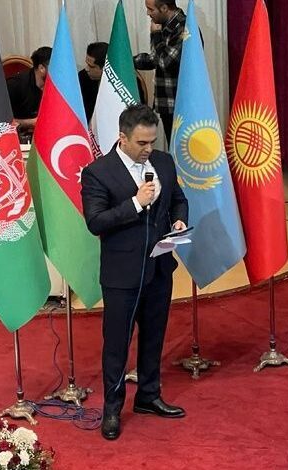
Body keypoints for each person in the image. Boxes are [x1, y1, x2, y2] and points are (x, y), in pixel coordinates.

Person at [81, 104, 189, 440]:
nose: (148, 149)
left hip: (160, 267)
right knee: (117, 344)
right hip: (122, 275)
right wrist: (136, 203)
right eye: (142, 143)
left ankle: (148, 396)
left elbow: (179, 199)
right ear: (122, 138)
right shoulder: (98, 172)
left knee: (154, 336)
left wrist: (178, 220)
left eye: (152, 141)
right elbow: (96, 221)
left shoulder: (163, 162)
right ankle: (112, 409)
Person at [134, 0, 185, 145]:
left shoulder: (183, 28)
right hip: (167, 102)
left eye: (151, 9)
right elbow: (155, 59)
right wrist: (127, 61)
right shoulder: (164, 24)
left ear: (164, 8)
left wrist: (156, 35)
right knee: (173, 147)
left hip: (180, 103)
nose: (148, 13)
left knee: (181, 149)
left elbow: (165, 63)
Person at [6, 46, 51, 134]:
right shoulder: (16, 85)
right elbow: (0, 121)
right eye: (55, 67)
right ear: (41, 68)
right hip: (17, 136)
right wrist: (30, 123)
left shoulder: (56, 87)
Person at [78, 42, 108, 121]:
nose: (87, 69)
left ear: (104, 68)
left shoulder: (121, 84)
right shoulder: (82, 78)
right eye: (87, 64)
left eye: (91, 66)